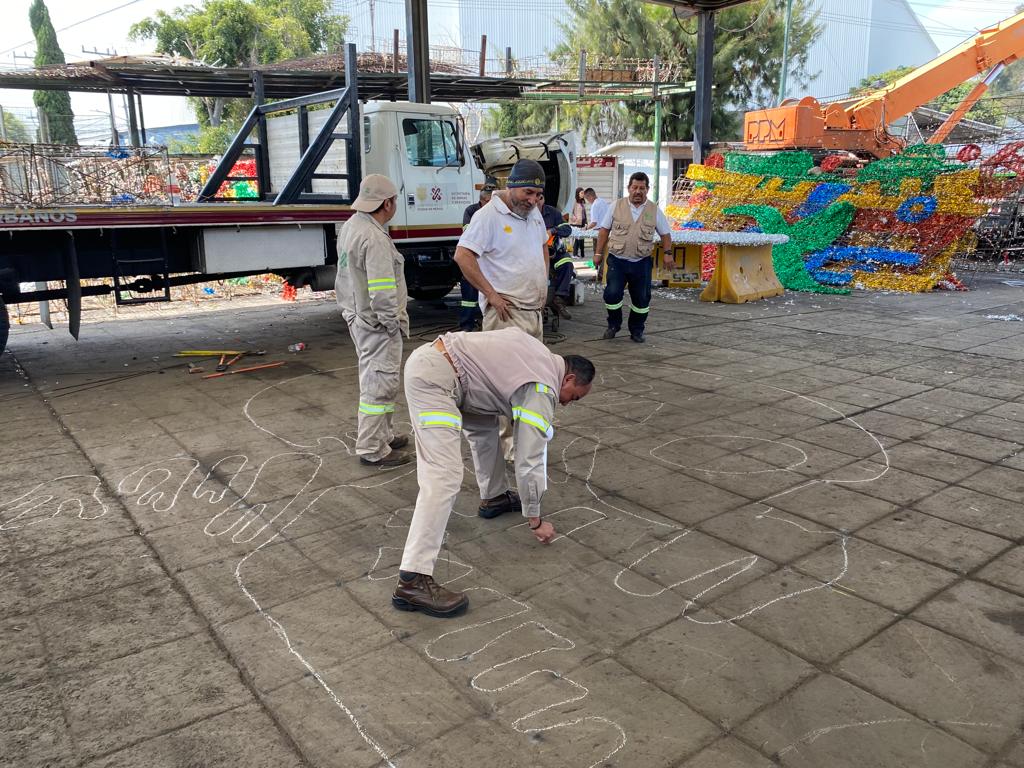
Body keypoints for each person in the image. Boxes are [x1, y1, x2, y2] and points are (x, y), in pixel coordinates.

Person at [392, 327, 596, 617]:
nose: (565, 404)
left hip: (454, 373)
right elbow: (529, 458)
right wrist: (535, 518)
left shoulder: (540, 356)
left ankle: (494, 497)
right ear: (570, 378)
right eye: (573, 397)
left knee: (484, 431)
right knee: (444, 476)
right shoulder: (541, 387)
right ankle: (412, 580)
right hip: (435, 380)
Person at [335, 174, 412, 467]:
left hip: (359, 317)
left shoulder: (353, 225)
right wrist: (391, 323)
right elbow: (382, 292)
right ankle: (372, 448)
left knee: (381, 380)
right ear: (387, 203)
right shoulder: (374, 238)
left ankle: (384, 434)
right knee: (378, 384)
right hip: (376, 324)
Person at [454, 159, 549, 341]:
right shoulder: (487, 216)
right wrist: (491, 295)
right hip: (506, 315)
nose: (533, 200)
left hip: (534, 313)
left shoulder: (532, 211)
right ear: (510, 186)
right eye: (528, 192)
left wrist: (543, 282)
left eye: (538, 194)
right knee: (506, 369)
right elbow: (462, 255)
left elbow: (543, 244)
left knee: (534, 369)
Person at [594, 172, 674, 344]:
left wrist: (668, 254)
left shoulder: (654, 210)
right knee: (612, 295)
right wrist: (598, 254)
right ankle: (613, 325)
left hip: (641, 262)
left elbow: (666, 234)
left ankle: (637, 330)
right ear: (629, 188)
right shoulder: (616, 206)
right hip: (617, 260)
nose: (638, 191)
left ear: (647, 189)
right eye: (635, 187)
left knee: (642, 299)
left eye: (642, 188)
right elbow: (603, 231)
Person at [458, 185, 494, 332]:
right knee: (469, 294)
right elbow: (468, 231)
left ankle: (485, 322)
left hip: (489, 259)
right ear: (483, 200)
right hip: (474, 258)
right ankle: (467, 325)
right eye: (490, 202)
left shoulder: (495, 212)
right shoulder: (471, 211)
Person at [537, 192, 574, 320]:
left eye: (539, 198)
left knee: (566, 263)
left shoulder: (552, 212)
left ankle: (559, 298)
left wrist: (553, 230)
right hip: (534, 255)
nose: (536, 201)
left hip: (554, 254)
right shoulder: (525, 213)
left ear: (543, 198)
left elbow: (567, 229)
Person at [569, 186, 588, 260]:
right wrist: (575, 219)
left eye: (583, 193)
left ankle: (582, 254)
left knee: (582, 238)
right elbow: (571, 212)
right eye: (582, 193)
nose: (583, 194)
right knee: (577, 238)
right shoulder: (575, 202)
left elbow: (584, 213)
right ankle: (574, 254)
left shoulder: (582, 202)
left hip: (582, 222)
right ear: (578, 193)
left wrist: (586, 221)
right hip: (577, 223)